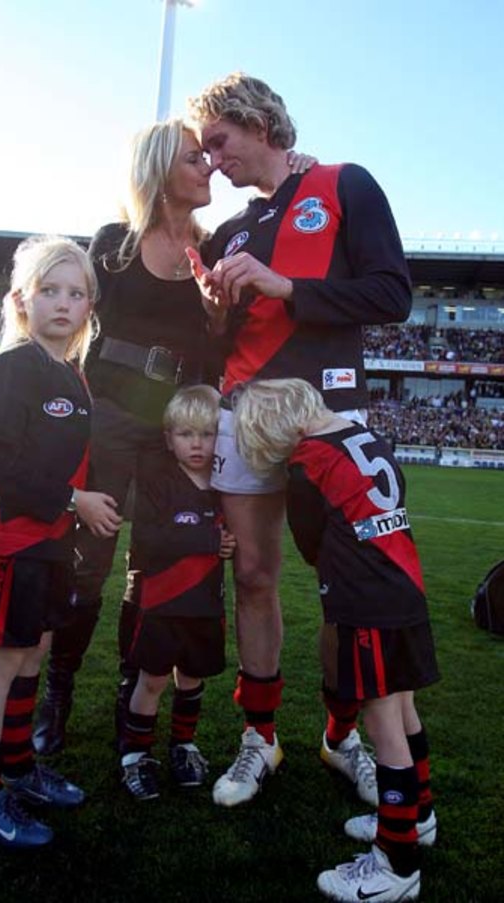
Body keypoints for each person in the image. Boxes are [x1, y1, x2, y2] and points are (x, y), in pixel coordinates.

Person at [33, 118, 312, 756]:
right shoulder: (113, 245)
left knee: (155, 563)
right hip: (106, 420)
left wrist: (217, 316)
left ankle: (132, 697)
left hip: (176, 429)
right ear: (160, 171)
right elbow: (67, 313)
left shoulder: (215, 251)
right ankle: (58, 690)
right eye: (195, 158)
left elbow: (222, 349)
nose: (209, 166)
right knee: (89, 564)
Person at [186, 72, 413, 808]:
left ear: (255, 121)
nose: (214, 162)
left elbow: (392, 294)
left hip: (326, 420)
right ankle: (260, 735)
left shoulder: (346, 184)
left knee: (343, 591)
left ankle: (343, 735)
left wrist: (288, 287)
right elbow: (218, 339)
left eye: (219, 143)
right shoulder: (229, 231)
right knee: (252, 575)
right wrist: (218, 313)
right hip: (242, 415)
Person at [234, 378, 438, 903]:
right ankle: (418, 816)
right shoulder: (365, 435)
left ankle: (396, 864)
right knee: (405, 709)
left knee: (383, 726)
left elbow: (310, 545)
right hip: (406, 588)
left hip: (366, 603)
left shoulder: (307, 464)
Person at [0, 235, 122, 848]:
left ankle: (19, 770)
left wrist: (85, 507)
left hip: (53, 546)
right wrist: (73, 502)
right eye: (48, 290)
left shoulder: (73, 374)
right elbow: (2, 467)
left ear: (89, 308)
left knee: (32, 656)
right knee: (0, 666)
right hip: (12, 546)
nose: (62, 303)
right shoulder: (7, 367)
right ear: (21, 301)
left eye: (75, 293)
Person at [120, 384, 236, 800]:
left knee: (191, 679)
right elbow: (148, 539)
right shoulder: (158, 481)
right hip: (161, 603)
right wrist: (207, 540)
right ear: (169, 439)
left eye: (206, 434)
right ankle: (135, 757)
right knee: (152, 681)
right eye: (187, 435)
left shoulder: (226, 485)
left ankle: (183, 746)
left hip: (205, 605)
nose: (197, 444)